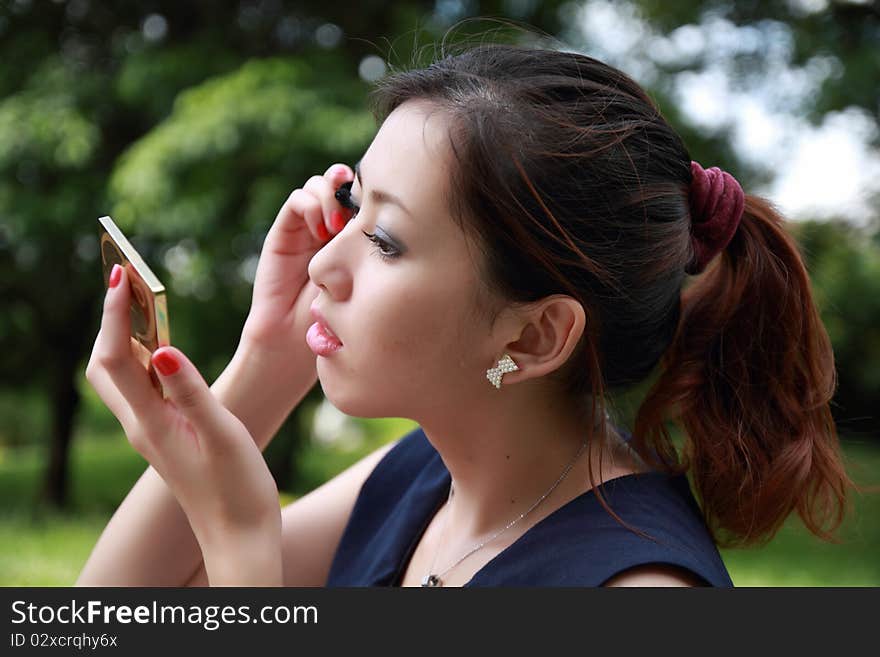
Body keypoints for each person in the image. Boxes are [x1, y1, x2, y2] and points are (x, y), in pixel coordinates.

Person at [76, 42, 854, 588]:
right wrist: (264, 369)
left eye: (382, 239)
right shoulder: (423, 476)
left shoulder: (638, 588)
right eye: (351, 205)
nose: (321, 262)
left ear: (535, 333)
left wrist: (244, 541)